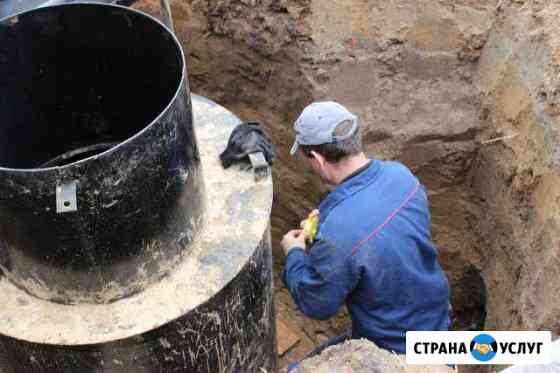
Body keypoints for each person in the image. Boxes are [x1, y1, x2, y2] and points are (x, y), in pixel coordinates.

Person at [280, 101, 450, 369]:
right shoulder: (402, 176)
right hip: (435, 321)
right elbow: (378, 234)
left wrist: (295, 253)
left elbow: (317, 303)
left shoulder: (338, 235)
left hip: (393, 349)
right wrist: (329, 231)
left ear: (319, 158)